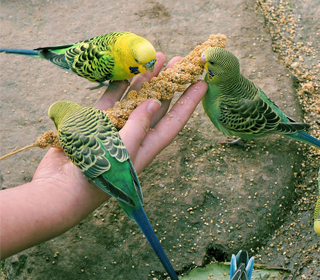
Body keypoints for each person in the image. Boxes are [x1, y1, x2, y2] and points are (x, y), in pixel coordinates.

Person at [0, 52, 208, 260]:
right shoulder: (94, 115)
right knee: (135, 205)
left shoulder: (66, 134)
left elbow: (93, 167)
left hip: (109, 174)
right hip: (120, 161)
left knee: (132, 204)